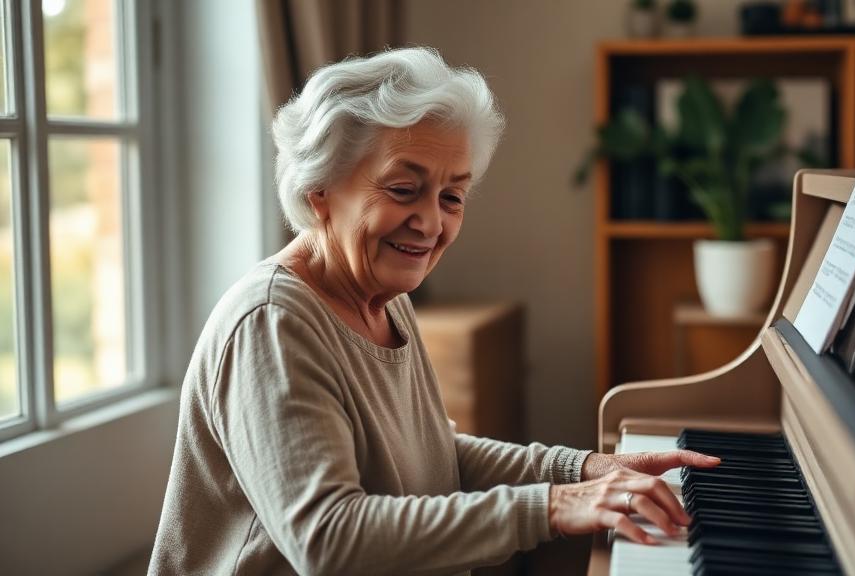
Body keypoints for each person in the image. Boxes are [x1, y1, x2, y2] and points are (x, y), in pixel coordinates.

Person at [148, 47, 720, 575]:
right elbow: (328, 538)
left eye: (452, 197)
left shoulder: (387, 300)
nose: (430, 223)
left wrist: (584, 470)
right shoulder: (273, 323)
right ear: (319, 189)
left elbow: (431, 459)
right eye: (403, 189)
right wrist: (551, 506)